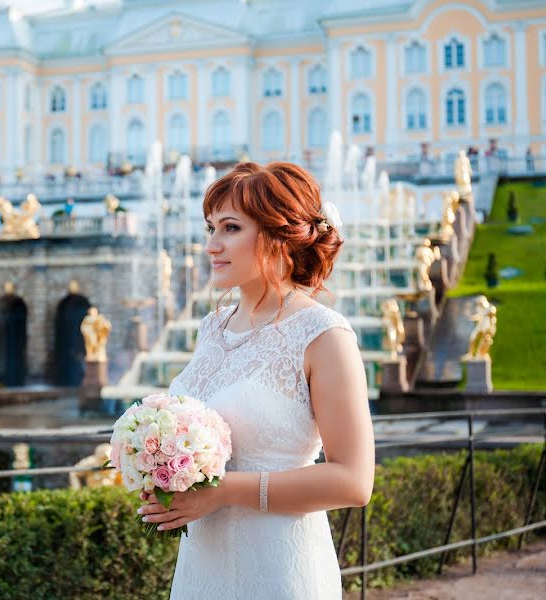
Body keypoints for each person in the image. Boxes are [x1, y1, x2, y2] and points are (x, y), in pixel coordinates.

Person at [137, 162, 375, 599]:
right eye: (210, 228)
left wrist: (223, 492)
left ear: (278, 234)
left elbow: (354, 481)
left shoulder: (323, 335)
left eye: (230, 228)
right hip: (201, 570)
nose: (212, 245)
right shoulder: (212, 329)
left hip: (281, 568)